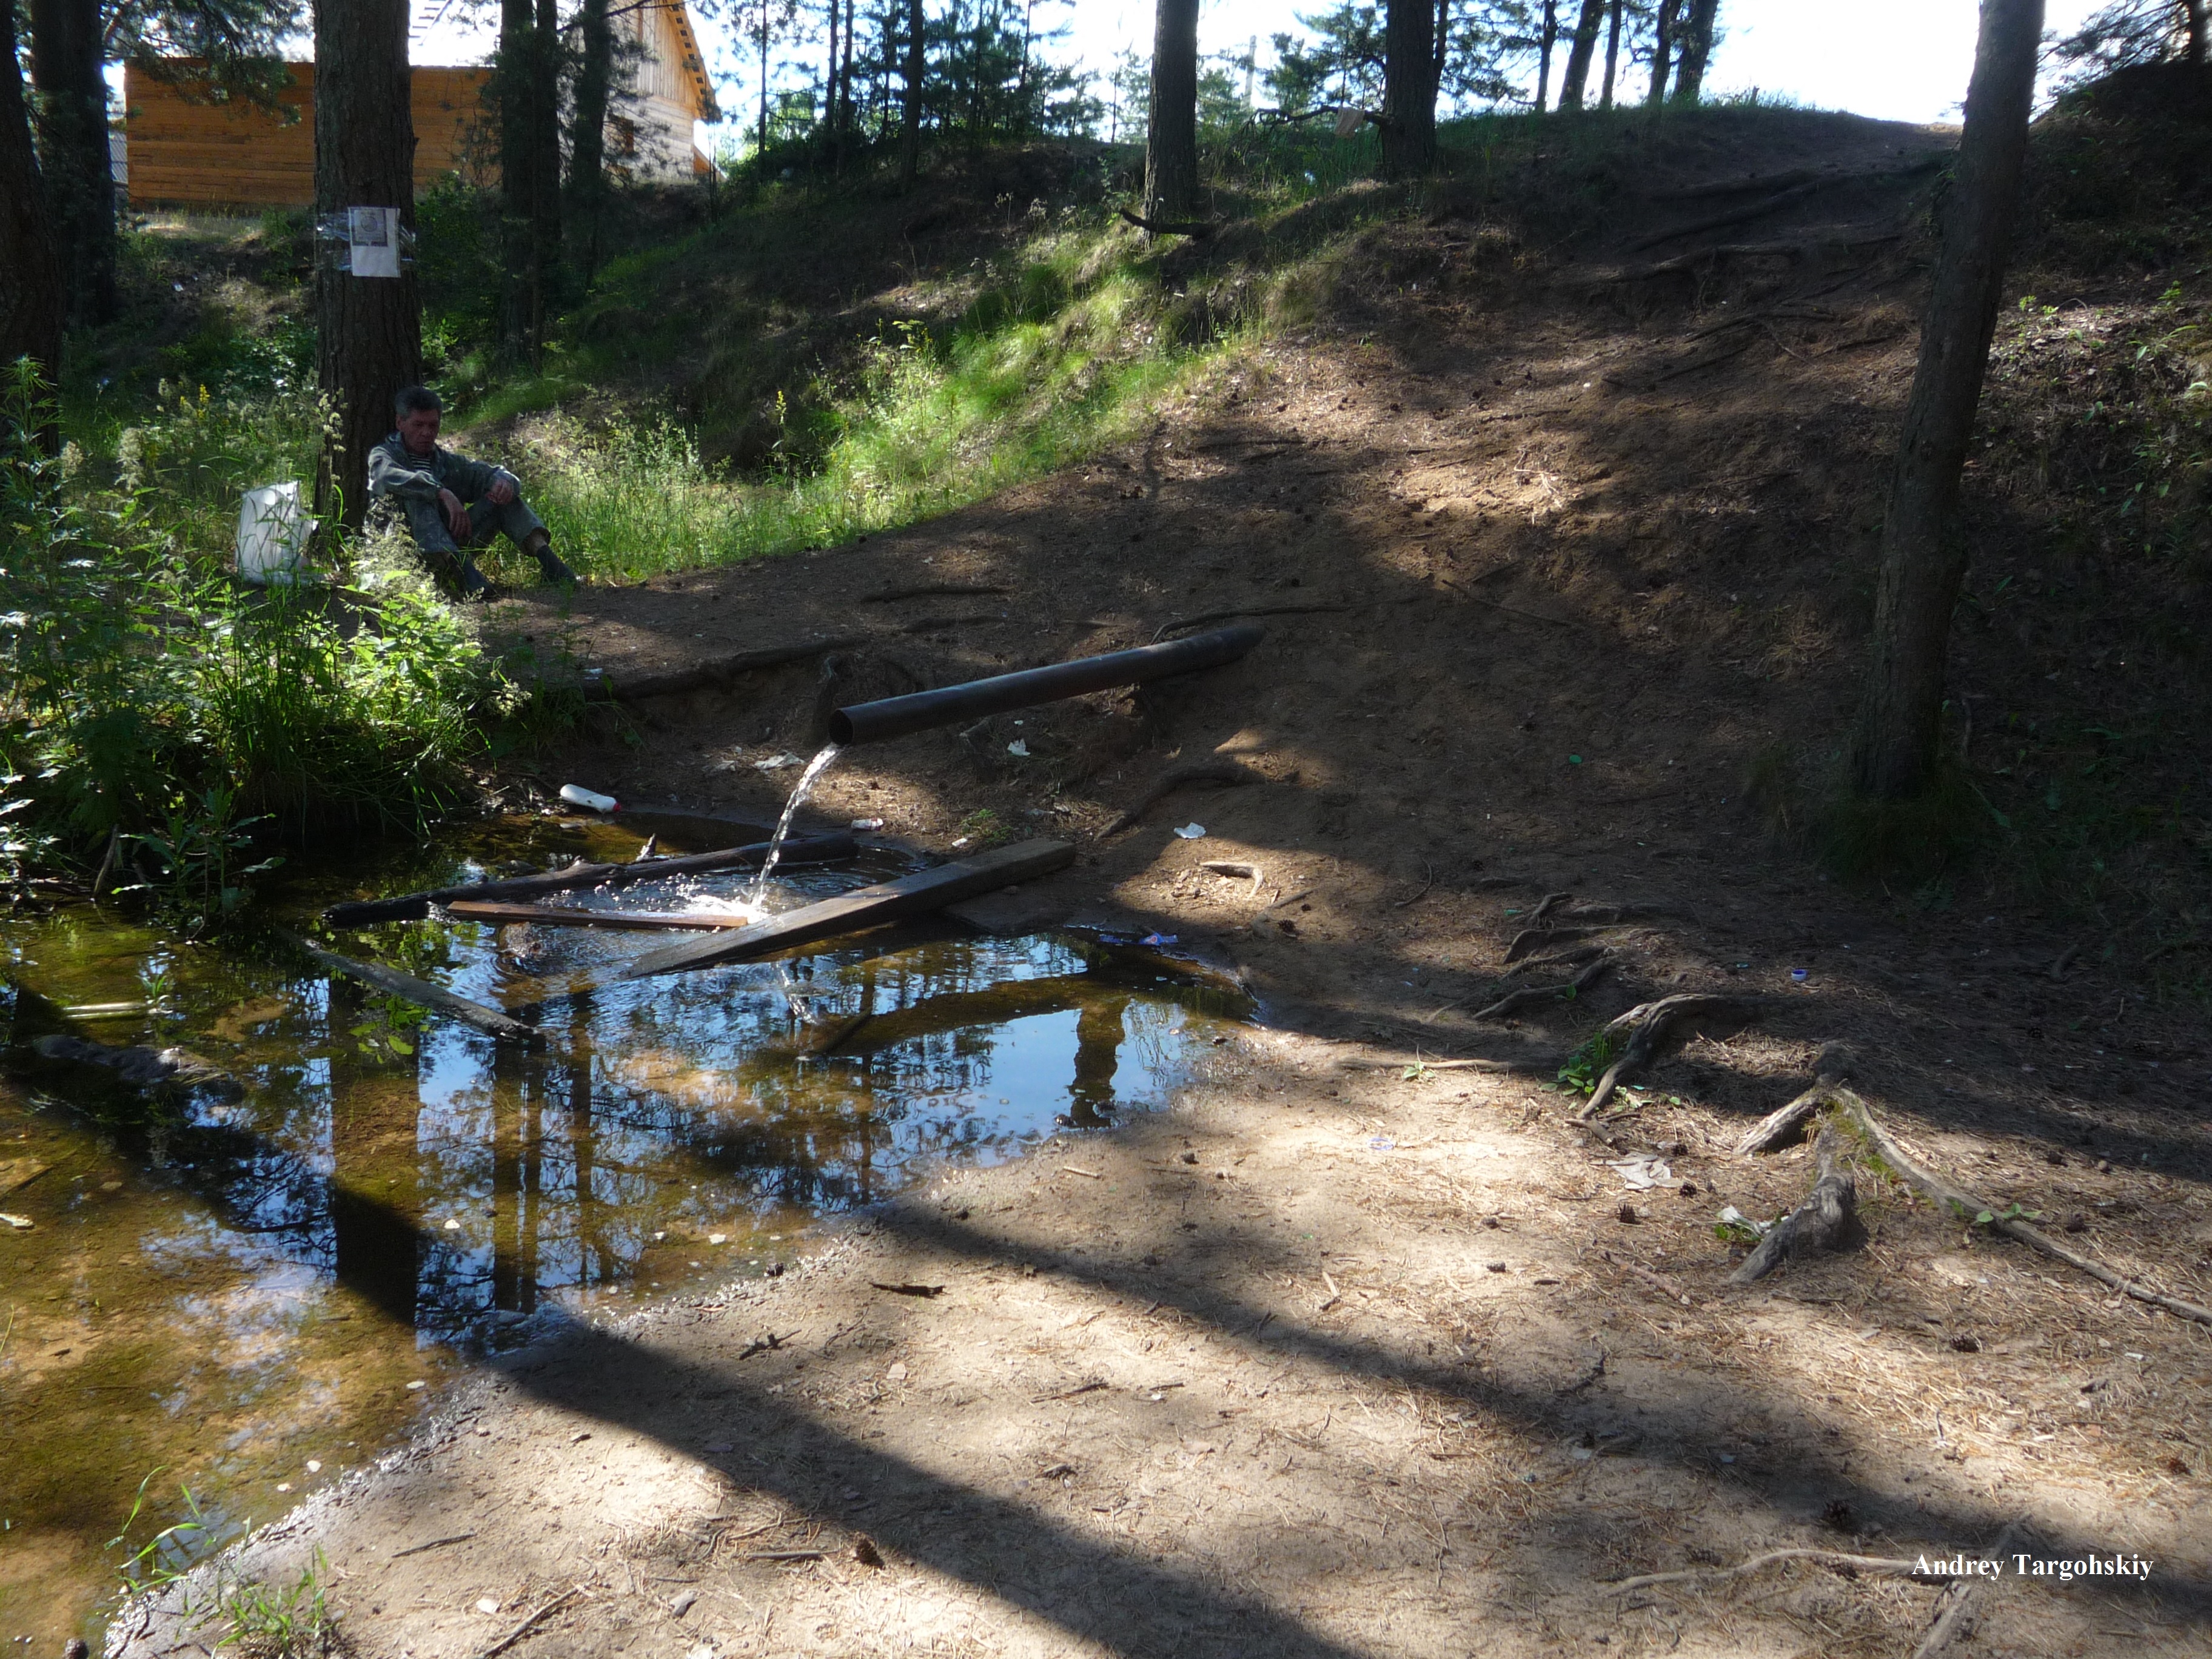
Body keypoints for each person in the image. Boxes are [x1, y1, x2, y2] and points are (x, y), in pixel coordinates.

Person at [366, 385, 576, 597]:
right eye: (418, 425)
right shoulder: (383, 455)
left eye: (433, 425)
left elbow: (488, 473)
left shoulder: (446, 462)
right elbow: (385, 476)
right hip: (401, 556)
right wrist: (440, 492)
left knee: (502, 496)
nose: (426, 433)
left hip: (452, 552)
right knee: (418, 498)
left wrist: (503, 482)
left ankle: (552, 566)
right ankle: (466, 578)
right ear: (400, 423)